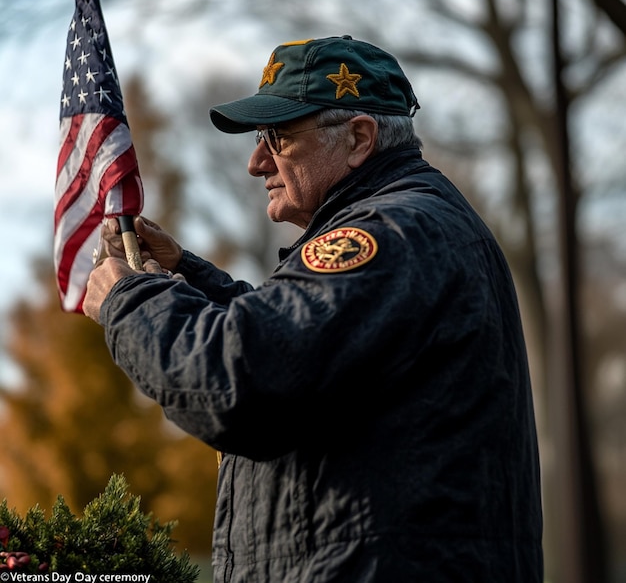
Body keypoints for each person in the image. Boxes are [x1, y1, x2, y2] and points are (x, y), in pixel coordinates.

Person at [84, 35, 543, 582]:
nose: (257, 163)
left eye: (277, 136)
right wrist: (185, 272)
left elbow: (243, 381)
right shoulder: (413, 226)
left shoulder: (390, 233)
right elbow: (307, 353)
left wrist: (128, 299)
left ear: (358, 138)